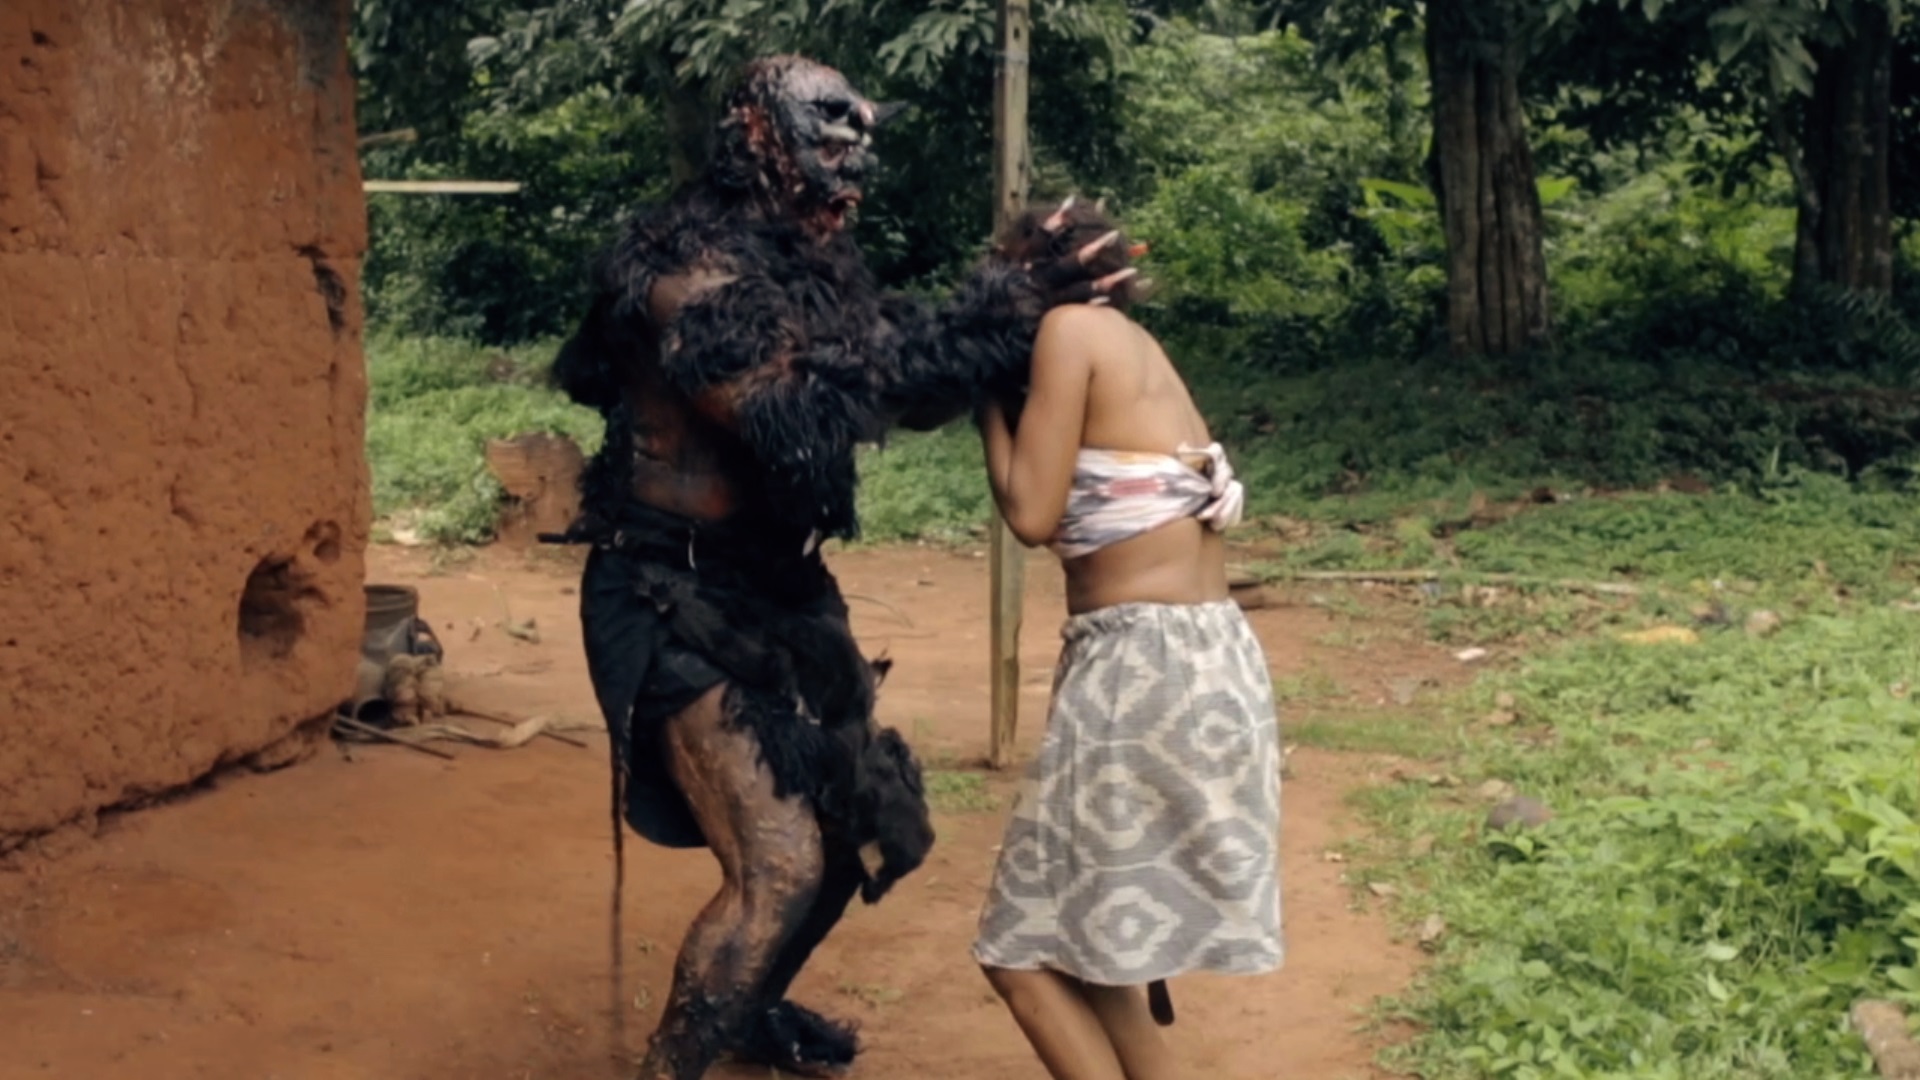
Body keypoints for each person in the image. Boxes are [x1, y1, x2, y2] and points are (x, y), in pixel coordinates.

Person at [542, 55, 1129, 1080]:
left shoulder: (812, 267)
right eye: (827, 138)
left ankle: (744, 1013)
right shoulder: (684, 272)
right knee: (779, 864)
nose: (852, 163)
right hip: (672, 591)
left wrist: (1023, 303)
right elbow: (799, 415)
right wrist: (989, 312)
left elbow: (905, 388)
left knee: (859, 823)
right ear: (757, 138)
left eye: (861, 141)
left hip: (782, 589)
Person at [969, 199, 1284, 1080]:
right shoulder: (1134, 346)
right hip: (1208, 660)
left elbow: (1031, 514)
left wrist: (981, 400)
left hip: (1141, 671)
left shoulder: (1067, 333)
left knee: (1019, 954)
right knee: (1094, 955)